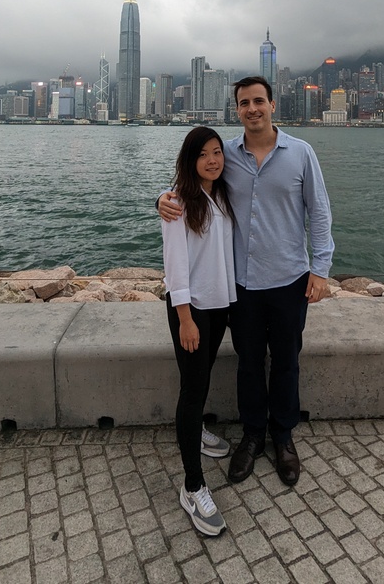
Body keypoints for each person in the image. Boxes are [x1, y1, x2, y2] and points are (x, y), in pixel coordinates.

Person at [159, 76, 334, 487]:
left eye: (259, 101)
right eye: (244, 103)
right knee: (249, 363)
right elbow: (190, 187)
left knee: (287, 361)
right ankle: (253, 435)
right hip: (242, 285)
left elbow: (320, 213)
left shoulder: (302, 154)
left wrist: (321, 269)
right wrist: (162, 200)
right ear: (236, 110)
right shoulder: (227, 157)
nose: (252, 109)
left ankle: (283, 435)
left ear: (273, 105)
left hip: (290, 278)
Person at [162, 126, 237, 537]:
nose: (213, 160)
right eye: (204, 154)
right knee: (192, 391)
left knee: (202, 379)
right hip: (191, 312)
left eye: (217, 152)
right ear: (190, 159)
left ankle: (199, 433)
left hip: (219, 305)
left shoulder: (220, 195)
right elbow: (174, 267)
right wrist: (186, 318)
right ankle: (192, 485)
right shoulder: (178, 203)